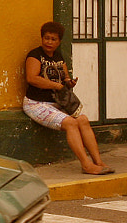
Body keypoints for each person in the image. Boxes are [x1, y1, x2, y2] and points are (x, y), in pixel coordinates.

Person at [23, 21, 112, 175]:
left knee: (82, 120)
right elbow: (32, 78)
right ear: (42, 38)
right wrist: (56, 86)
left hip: (56, 103)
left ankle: (98, 161)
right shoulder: (35, 55)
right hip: (36, 103)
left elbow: (65, 78)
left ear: (59, 41)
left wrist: (69, 83)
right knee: (71, 123)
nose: (49, 42)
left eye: (53, 39)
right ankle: (86, 165)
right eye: (47, 38)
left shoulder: (58, 56)